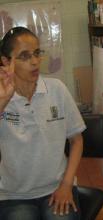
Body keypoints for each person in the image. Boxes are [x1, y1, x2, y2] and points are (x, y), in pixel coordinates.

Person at [0, 26, 86, 220]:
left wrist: (66, 185)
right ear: (6, 62)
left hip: (58, 187)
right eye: (24, 56)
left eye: (37, 53)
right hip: (13, 196)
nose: (35, 62)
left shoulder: (56, 89)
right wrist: (3, 101)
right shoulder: (1, 96)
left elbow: (77, 141)